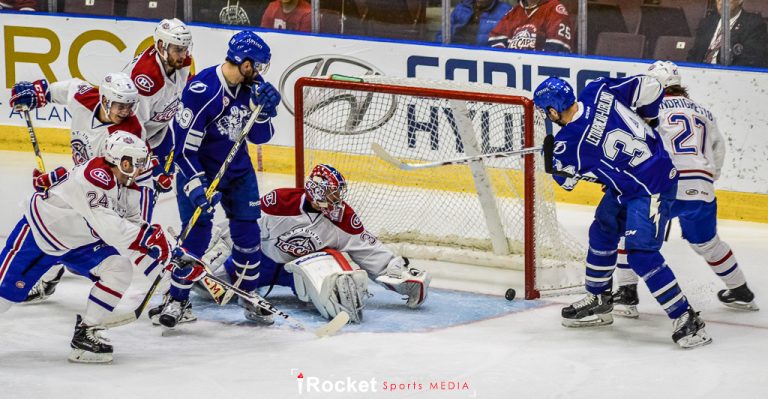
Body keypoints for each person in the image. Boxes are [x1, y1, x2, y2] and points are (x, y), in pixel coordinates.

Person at [533, 74, 711, 349]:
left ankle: (686, 318)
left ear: (553, 111)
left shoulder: (570, 144)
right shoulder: (597, 89)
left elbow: (567, 182)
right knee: (602, 230)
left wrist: (551, 160)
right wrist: (649, 119)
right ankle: (599, 299)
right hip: (632, 183)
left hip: (653, 188)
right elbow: (651, 86)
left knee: (641, 254)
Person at [0, 132, 173, 363]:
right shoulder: (94, 177)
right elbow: (113, 230)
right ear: (124, 162)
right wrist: (150, 240)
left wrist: (172, 252)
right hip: (42, 237)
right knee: (4, 297)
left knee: (118, 268)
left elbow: (135, 226)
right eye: (138, 164)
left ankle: (86, 333)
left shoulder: (126, 183)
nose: (142, 170)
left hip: (78, 241)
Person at [152, 30, 280, 328]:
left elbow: (262, 137)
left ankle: (249, 293)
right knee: (196, 234)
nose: (259, 72)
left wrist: (264, 112)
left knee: (248, 233)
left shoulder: (254, 88)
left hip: (237, 172)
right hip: (199, 171)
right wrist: (196, 186)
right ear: (245, 63)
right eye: (257, 66)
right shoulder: (203, 91)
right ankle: (178, 298)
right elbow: (183, 150)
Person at [611, 61, 758, 318]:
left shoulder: (649, 109)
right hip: (702, 186)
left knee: (630, 231)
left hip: (666, 184)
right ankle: (741, 291)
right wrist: (707, 180)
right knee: (707, 243)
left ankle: (627, 292)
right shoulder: (705, 112)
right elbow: (718, 149)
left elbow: (638, 147)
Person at [201, 164, 431, 323]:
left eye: (338, 195)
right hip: (259, 262)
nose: (337, 201)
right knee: (208, 285)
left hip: (300, 272)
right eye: (332, 195)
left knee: (338, 297)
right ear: (316, 191)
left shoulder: (342, 218)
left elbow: (367, 248)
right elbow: (245, 224)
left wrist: (400, 274)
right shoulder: (281, 201)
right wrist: (213, 241)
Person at [9, 72, 149, 302]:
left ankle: (50, 276)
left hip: (105, 188)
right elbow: (67, 88)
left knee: (70, 229)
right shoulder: (85, 97)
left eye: (129, 106)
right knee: (57, 224)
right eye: (120, 105)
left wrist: (58, 179)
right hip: (81, 179)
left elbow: (99, 175)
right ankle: (48, 278)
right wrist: (40, 92)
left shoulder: (128, 134)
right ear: (104, 100)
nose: (125, 112)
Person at [122, 18, 193, 199]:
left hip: (158, 132)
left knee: (155, 189)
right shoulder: (147, 79)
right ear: (161, 46)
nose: (183, 55)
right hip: (125, 140)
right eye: (178, 49)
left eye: (185, 48)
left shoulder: (180, 62)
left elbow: (188, 89)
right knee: (131, 194)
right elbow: (133, 129)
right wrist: (154, 167)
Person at [687, 0, 768, 68]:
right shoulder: (707, 23)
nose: (721, 2)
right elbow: (694, 55)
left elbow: (749, 61)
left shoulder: (753, 24)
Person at [487, 0, 573, 53]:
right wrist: (508, 59)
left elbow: (556, 48)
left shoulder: (554, 9)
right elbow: (495, 39)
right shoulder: (515, 11)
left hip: (540, 73)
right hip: (515, 70)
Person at [436, 0, 512, 46]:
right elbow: (442, 34)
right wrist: (443, 51)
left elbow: (509, 42)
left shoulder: (505, 10)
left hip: (486, 58)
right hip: (457, 54)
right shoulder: (462, 7)